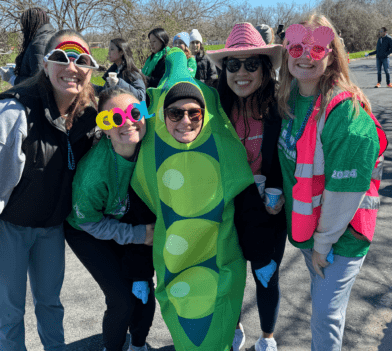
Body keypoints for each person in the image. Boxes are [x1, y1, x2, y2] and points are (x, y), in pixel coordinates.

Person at [0, 29, 99, 350]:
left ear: (91, 71)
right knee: (9, 313)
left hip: (50, 229)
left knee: (51, 304)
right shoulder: (12, 114)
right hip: (8, 228)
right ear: (45, 64)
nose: (72, 67)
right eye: (61, 57)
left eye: (82, 60)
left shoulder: (89, 115)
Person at [131, 47, 275, 351]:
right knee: (188, 334)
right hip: (174, 270)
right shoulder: (148, 163)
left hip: (220, 263)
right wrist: (139, 272)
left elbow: (247, 208)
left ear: (204, 114)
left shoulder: (224, 152)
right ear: (163, 116)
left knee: (218, 331)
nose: (185, 120)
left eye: (193, 112)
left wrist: (261, 255)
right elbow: (140, 220)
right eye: (175, 113)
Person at [277, 14, 387, 350]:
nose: (305, 55)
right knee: (321, 310)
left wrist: (322, 244)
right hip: (311, 232)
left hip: (339, 239)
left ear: (332, 54)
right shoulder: (292, 98)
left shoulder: (346, 113)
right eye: (296, 47)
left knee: (325, 318)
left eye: (317, 47)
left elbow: (345, 192)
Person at [208, 22, 285, 351]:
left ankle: (267, 337)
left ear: (265, 69)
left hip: (269, 212)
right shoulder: (213, 108)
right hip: (227, 211)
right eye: (233, 65)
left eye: (251, 64)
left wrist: (278, 190)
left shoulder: (281, 108)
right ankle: (235, 325)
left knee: (266, 276)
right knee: (230, 275)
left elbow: (290, 153)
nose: (242, 72)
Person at [64, 87, 156, 351]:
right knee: (121, 300)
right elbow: (89, 222)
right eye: (114, 118)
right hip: (85, 229)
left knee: (143, 289)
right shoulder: (94, 173)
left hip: (124, 220)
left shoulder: (150, 148)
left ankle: (138, 345)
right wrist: (138, 234)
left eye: (134, 113)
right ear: (103, 127)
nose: (127, 122)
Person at [0, 8, 56, 86]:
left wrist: (12, 79)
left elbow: (38, 83)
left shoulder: (39, 43)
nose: (23, 30)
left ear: (31, 24)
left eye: (24, 25)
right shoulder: (52, 37)